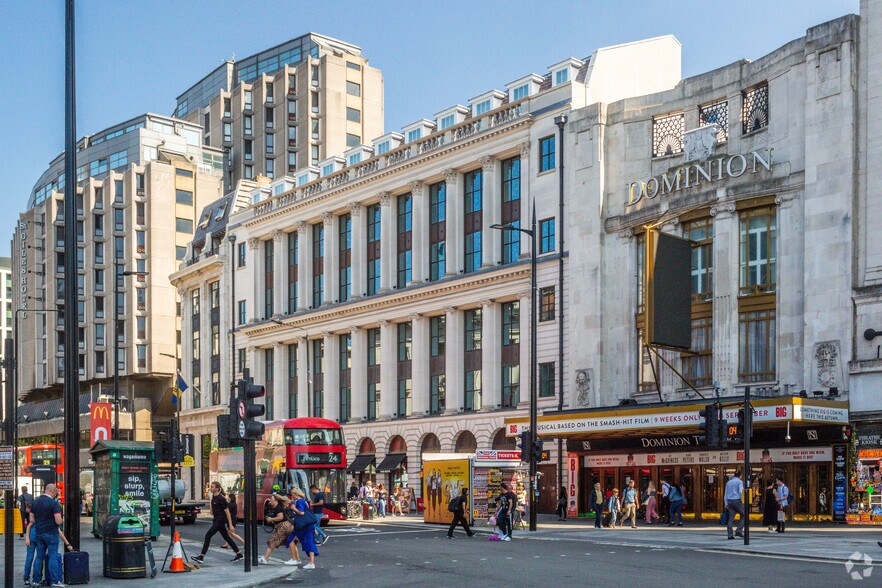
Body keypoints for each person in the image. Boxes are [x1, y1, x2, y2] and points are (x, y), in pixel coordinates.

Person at [192, 481, 244, 563]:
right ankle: (239, 554)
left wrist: (230, 525)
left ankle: (201, 557)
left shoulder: (221, 498)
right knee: (227, 538)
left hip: (220, 521)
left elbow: (227, 512)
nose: (211, 488)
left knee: (208, 536)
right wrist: (210, 501)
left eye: (212, 487)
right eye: (211, 487)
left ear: (217, 488)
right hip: (216, 520)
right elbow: (211, 513)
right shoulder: (213, 498)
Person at [29, 483, 66, 587]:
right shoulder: (53, 504)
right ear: (52, 490)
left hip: (39, 533)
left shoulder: (35, 502)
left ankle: (36, 580)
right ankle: (55, 581)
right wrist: (62, 519)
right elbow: (58, 521)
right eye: (56, 491)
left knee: (39, 557)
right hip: (51, 533)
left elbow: (32, 520)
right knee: (52, 557)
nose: (56, 494)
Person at [258, 493, 300, 565]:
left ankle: (265, 558)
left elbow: (280, 517)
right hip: (289, 526)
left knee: (272, 541)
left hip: (283, 526)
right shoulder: (278, 507)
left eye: (271, 499)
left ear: (276, 500)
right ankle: (296, 559)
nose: (270, 501)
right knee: (291, 541)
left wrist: (271, 519)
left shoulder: (278, 508)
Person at [290, 487, 319, 569]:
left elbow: (302, 513)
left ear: (295, 494)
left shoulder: (299, 502)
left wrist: (294, 508)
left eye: (292, 495)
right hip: (308, 525)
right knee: (308, 541)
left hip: (304, 525)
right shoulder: (304, 501)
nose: (292, 496)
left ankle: (310, 562)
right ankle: (309, 561)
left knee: (308, 542)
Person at [724, 470, 745, 540]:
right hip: (736, 500)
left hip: (729, 501)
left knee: (731, 518)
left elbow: (726, 494)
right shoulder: (739, 482)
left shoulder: (728, 482)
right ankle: (739, 530)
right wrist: (742, 501)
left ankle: (730, 535)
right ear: (740, 476)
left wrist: (726, 503)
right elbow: (740, 492)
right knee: (744, 515)